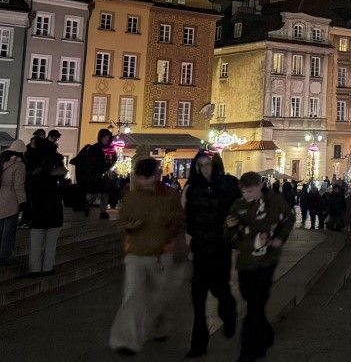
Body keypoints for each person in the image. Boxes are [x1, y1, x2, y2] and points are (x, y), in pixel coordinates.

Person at [109, 158, 185, 355]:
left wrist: (168, 238)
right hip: (135, 252)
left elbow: (178, 221)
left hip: (161, 253)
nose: (143, 181)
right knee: (132, 296)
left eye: (147, 177)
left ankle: (159, 327)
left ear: (156, 175)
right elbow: (123, 219)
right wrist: (128, 226)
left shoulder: (169, 196)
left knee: (158, 296)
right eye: (141, 177)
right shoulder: (132, 196)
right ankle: (126, 340)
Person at [225, 171, 295, 362]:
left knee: (255, 305)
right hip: (245, 262)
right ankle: (265, 335)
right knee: (254, 303)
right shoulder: (238, 205)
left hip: (267, 261)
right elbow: (227, 234)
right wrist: (232, 230)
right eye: (244, 191)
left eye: (250, 191)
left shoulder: (275, 202)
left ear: (259, 187)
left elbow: (289, 218)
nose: (246, 195)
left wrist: (279, 238)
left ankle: (248, 350)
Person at [183, 151, 240, 358]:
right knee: (198, 299)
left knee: (220, 290)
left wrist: (232, 225)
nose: (205, 168)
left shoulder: (225, 187)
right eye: (201, 165)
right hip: (200, 250)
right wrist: (193, 239)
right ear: (196, 167)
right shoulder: (193, 189)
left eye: (208, 164)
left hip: (220, 249)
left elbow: (238, 208)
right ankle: (198, 344)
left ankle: (229, 313)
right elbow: (188, 218)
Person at [24, 133, 66, 277]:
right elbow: (63, 174)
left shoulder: (33, 167)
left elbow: (28, 184)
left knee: (36, 240)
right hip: (53, 206)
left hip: (37, 207)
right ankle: (48, 267)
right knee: (50, 242)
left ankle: (34, 268)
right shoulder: (56, 165)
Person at [70, 128, 116, 217]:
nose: (107, 139)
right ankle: (87, 204)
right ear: (101, 137)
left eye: (108, 137)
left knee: (105, 192)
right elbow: (90, 162)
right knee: (94, 193)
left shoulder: (110, 149)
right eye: (105, 137)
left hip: (104, 175)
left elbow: (113, 160)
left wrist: (110, 164)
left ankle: (103, 211)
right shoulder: (94, 148)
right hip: (94, 175)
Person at [0, 139, 27, 266]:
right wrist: (23, 202)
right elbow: (18, 186)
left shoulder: (2, 162)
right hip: (11, 201)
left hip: (1, 197)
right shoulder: (19, 166)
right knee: (9, 232)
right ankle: (5, 256)